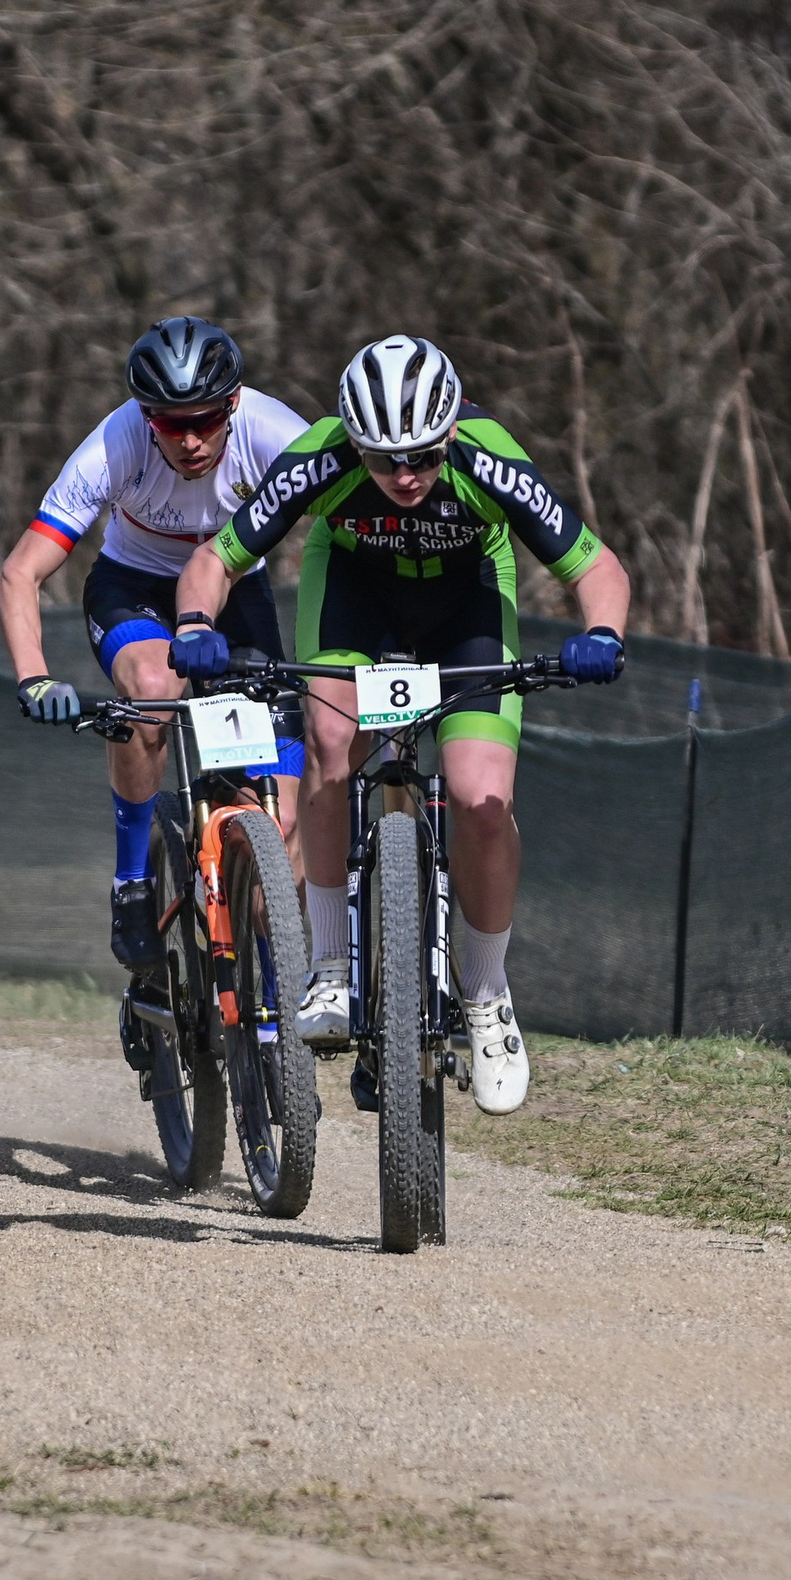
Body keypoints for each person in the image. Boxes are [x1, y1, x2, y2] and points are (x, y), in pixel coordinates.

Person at [169, 335, 630, 1115]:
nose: (405, 475)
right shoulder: (323, 458)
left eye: (420, 455)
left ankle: (484, 995)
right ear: (354, 442)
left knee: (483, 802)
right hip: (357, 597)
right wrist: (190, 627)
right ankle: (330, 965)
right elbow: (215, 560)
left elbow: (597, 568)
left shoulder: (490, 458)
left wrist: (604, 636)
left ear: (450, 431)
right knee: (326, 741)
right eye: (383, 460)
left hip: (467, 604)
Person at [0, 317, 311, 971]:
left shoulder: (278, 433)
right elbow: (19, 572)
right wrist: (34, 678)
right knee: (154, 692)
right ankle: (133, 878)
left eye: (205, 420)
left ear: (234, 403)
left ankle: (271, 1019)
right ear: (146, 416)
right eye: (170, 424)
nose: (191, 440)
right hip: (133, 590)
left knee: (278, 828)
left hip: (234, 594)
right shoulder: (113, 445)